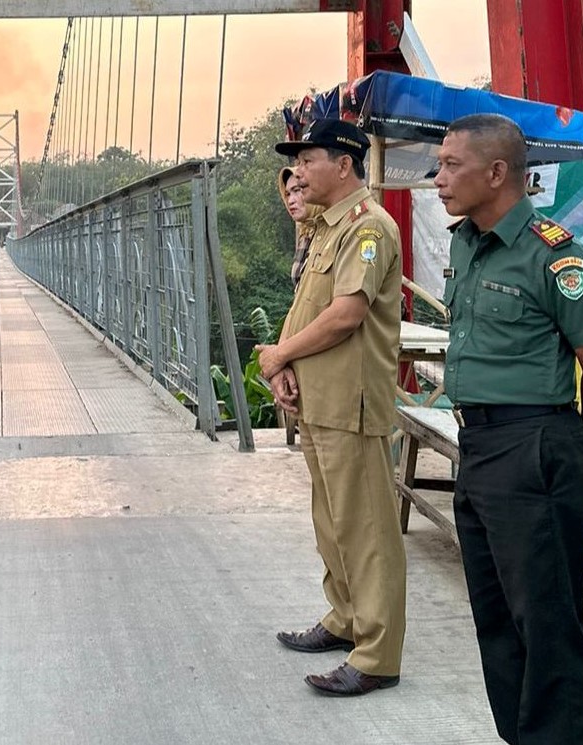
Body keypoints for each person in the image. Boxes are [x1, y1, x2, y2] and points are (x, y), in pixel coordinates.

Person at [434, 113, 583, 744]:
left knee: (547, 628)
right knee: (498, 620)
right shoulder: (466, 243)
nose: (438, 179)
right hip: (480, 445)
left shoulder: (555, 256)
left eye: (450, 165)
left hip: (535, 446)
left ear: (496, 173)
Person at [258, 119, 407, 696]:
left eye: (308, 158)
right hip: (321, 400)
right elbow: (311, 307)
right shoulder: (325, 229)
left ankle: (377, 654)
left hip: (353, 401)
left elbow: (346, 315)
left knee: (367, 528)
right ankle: (345, 617)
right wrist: (289, 367)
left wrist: (277, 357)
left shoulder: (368, 229)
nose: (297, 171)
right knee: (333, 521)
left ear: (343, 164)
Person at [278, 166, 325, 289]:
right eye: (287, 194)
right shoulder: (305, 232)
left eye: (297, 190)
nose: (290, 201)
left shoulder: (332, 230)